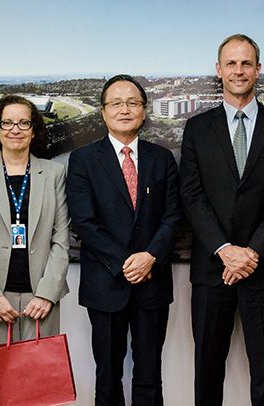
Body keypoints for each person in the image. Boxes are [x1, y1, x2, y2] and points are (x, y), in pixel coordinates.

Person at [179, 34, 264, 406]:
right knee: (207, 370)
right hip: (211, 269)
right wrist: (225, 250)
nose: (238, 70)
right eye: (230, 63)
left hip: (262, 269)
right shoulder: (197, 128)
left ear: (258, 70)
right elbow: (192, 196)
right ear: (218, 70)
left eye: (246, 63)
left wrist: (250, 253)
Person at [66, 74, 181, 406]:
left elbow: (173, 216)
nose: (125, 109)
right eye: (116, 103)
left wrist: (149, 257)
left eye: (133, 103)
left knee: (149, 374)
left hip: (152, 283)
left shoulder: (162, 159)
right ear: (103, 112)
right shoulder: (83, 160)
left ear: (144, 111)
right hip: (106, 284)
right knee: (107, 374)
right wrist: (125, 263)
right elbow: (84, 222)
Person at [0, 95, 70, 347]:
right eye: (7, 123)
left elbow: (61, 238)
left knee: (40, 379)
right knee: (4, 377)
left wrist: (48, 294)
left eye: (24, 123)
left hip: (42, 294)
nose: (16, 129)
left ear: (34, 130)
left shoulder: (53, 173)